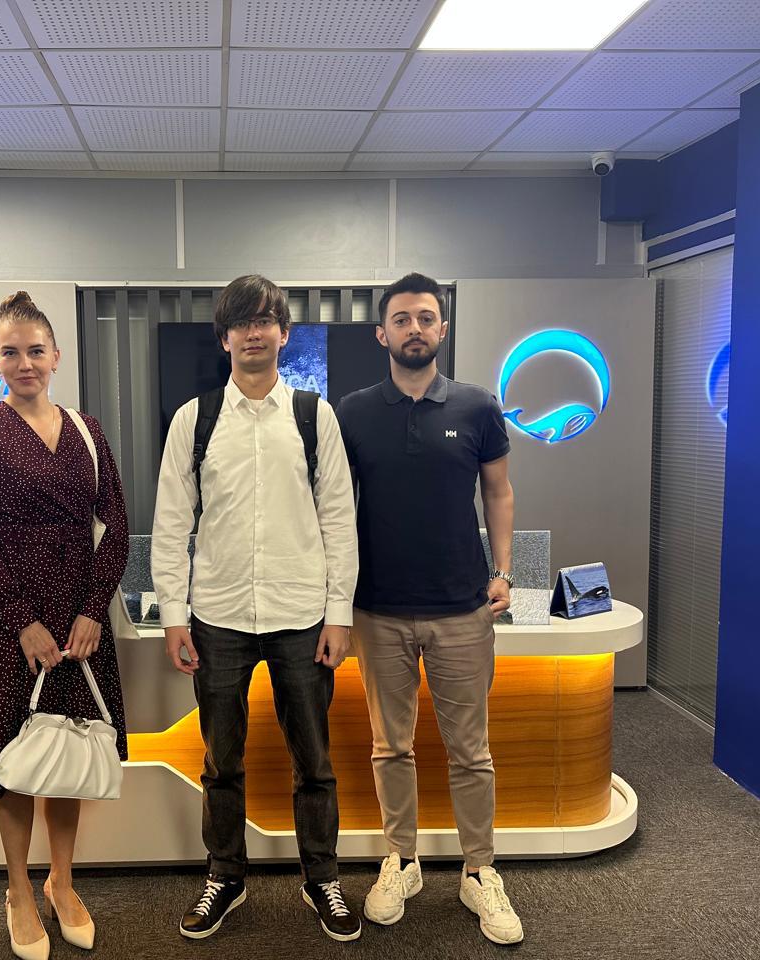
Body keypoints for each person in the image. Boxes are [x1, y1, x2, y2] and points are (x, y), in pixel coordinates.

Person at [152, 274, 361, 943]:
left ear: (283, 334)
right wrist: (175, 614)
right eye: (241, 322)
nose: (253, 332)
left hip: (302, 616)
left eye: (265, 320)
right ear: (224, 337)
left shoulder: (313, 416)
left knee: (314, 762)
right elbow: (170, 523)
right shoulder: (195, 419)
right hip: (218, 617)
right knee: (221, 761)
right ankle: (225, 875)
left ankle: (322, 877)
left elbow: (339, 519)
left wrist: (339, 612)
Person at [335, 272, 523, 945]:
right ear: (381, 334)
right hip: (378, 610)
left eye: (425, 317)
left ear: (442, 329)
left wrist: (503, 572)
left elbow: (498, 493)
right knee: (391, 747)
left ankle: (479, 871)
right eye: (401, 319)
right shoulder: (352, 411)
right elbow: (335, 507)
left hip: (462, 609)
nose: (414, 328)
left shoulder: (477, 406)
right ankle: (403, 860)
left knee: (471, 751)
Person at [0, 291, 129, 960]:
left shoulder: (87, 430)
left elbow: (117, 525)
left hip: (80, 619)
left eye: (34, 351)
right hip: (11, 622)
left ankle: (62, 882)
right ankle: (19, 890)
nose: (24, 363)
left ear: (56, 356)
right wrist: (21, 619)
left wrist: (93, 608)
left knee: (69, 752)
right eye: (10, 352)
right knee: (17, 760)